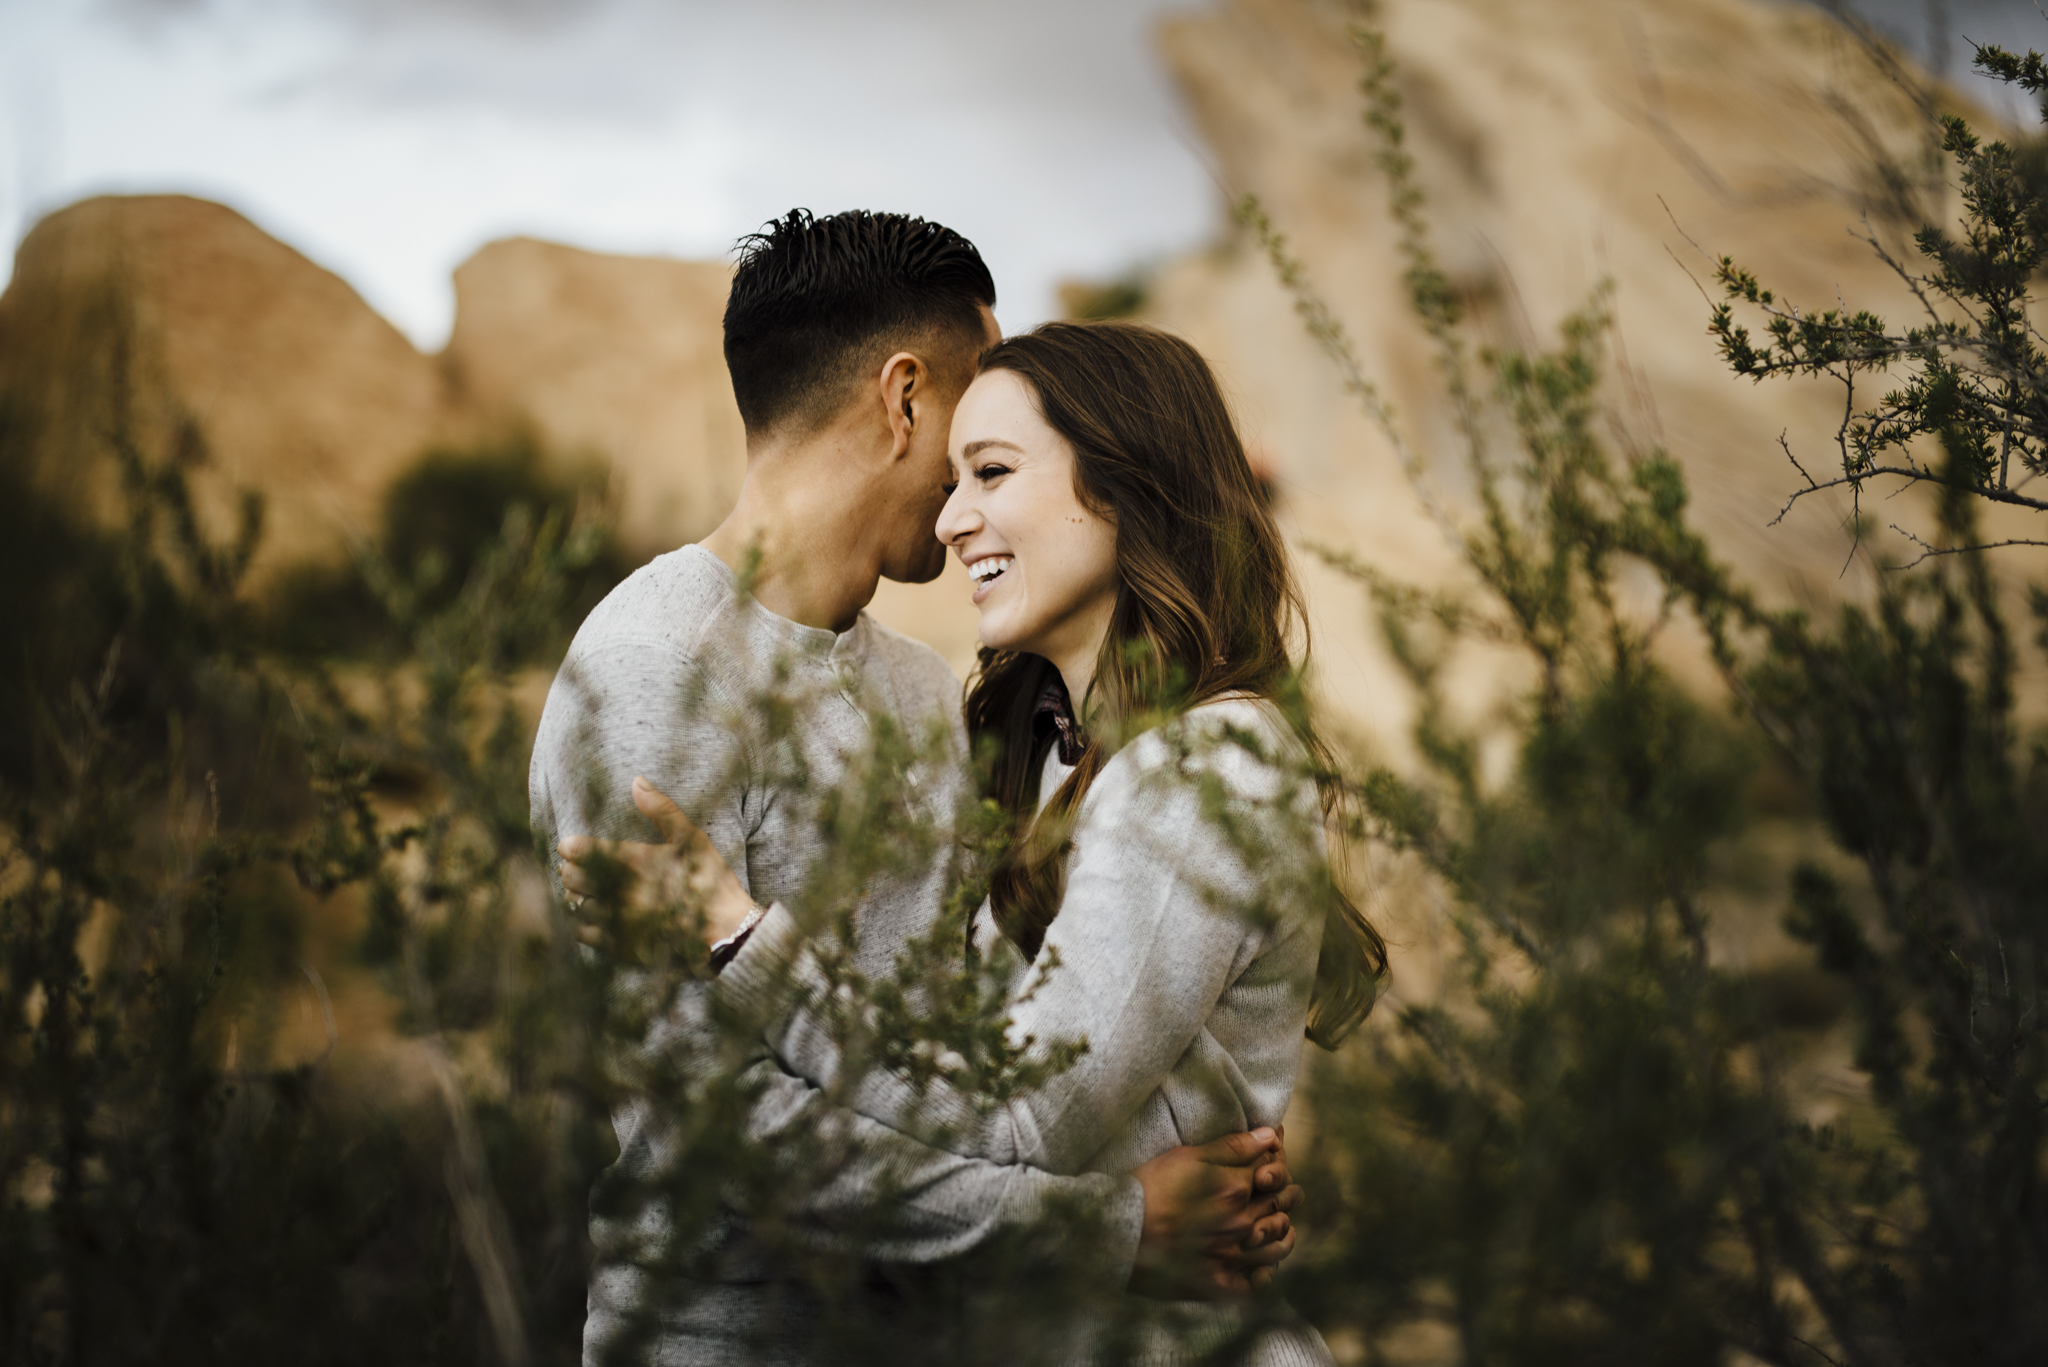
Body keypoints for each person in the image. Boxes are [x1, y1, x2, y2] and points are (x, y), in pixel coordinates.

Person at [529, 212, 1303, 1366]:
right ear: (902, 400)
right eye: (966, 437)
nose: (956, 499)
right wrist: (1107, 1227)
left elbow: (993, 1060)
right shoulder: (656, 672)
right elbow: (716, 1128)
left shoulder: (916, 690)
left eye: (996, 467)